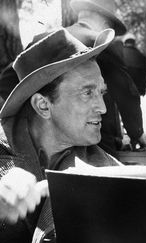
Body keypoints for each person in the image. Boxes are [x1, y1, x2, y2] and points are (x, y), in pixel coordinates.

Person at [0, 28, 122, 242]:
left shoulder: (107, 169)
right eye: (87, 93)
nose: (103, 108)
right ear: (43, 105)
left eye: (101, 93)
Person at [0, 0, 146, 158]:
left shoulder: (46, 40)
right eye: (88, 93)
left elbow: (8, 82)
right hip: (95, 142)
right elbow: (126, 92)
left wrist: (34, 119)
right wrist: (136, 133)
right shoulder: (105, 46)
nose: (102, 107)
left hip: (41, 142)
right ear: (106, 22)